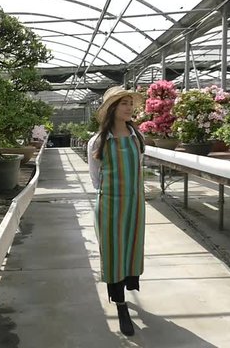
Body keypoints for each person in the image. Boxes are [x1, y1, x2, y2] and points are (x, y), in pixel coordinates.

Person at [87, 86, 146, 336]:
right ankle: (121, 306)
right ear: (112, 108)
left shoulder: (137, 137)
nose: (129, 107)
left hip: (135, 204)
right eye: (124, 103)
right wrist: (115, 194)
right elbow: (95, 178)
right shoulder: (98, 141)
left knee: (131, 248)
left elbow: (140, 168)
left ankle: (128, 289)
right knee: (113, 254)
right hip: (110, 205)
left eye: (131, 103)